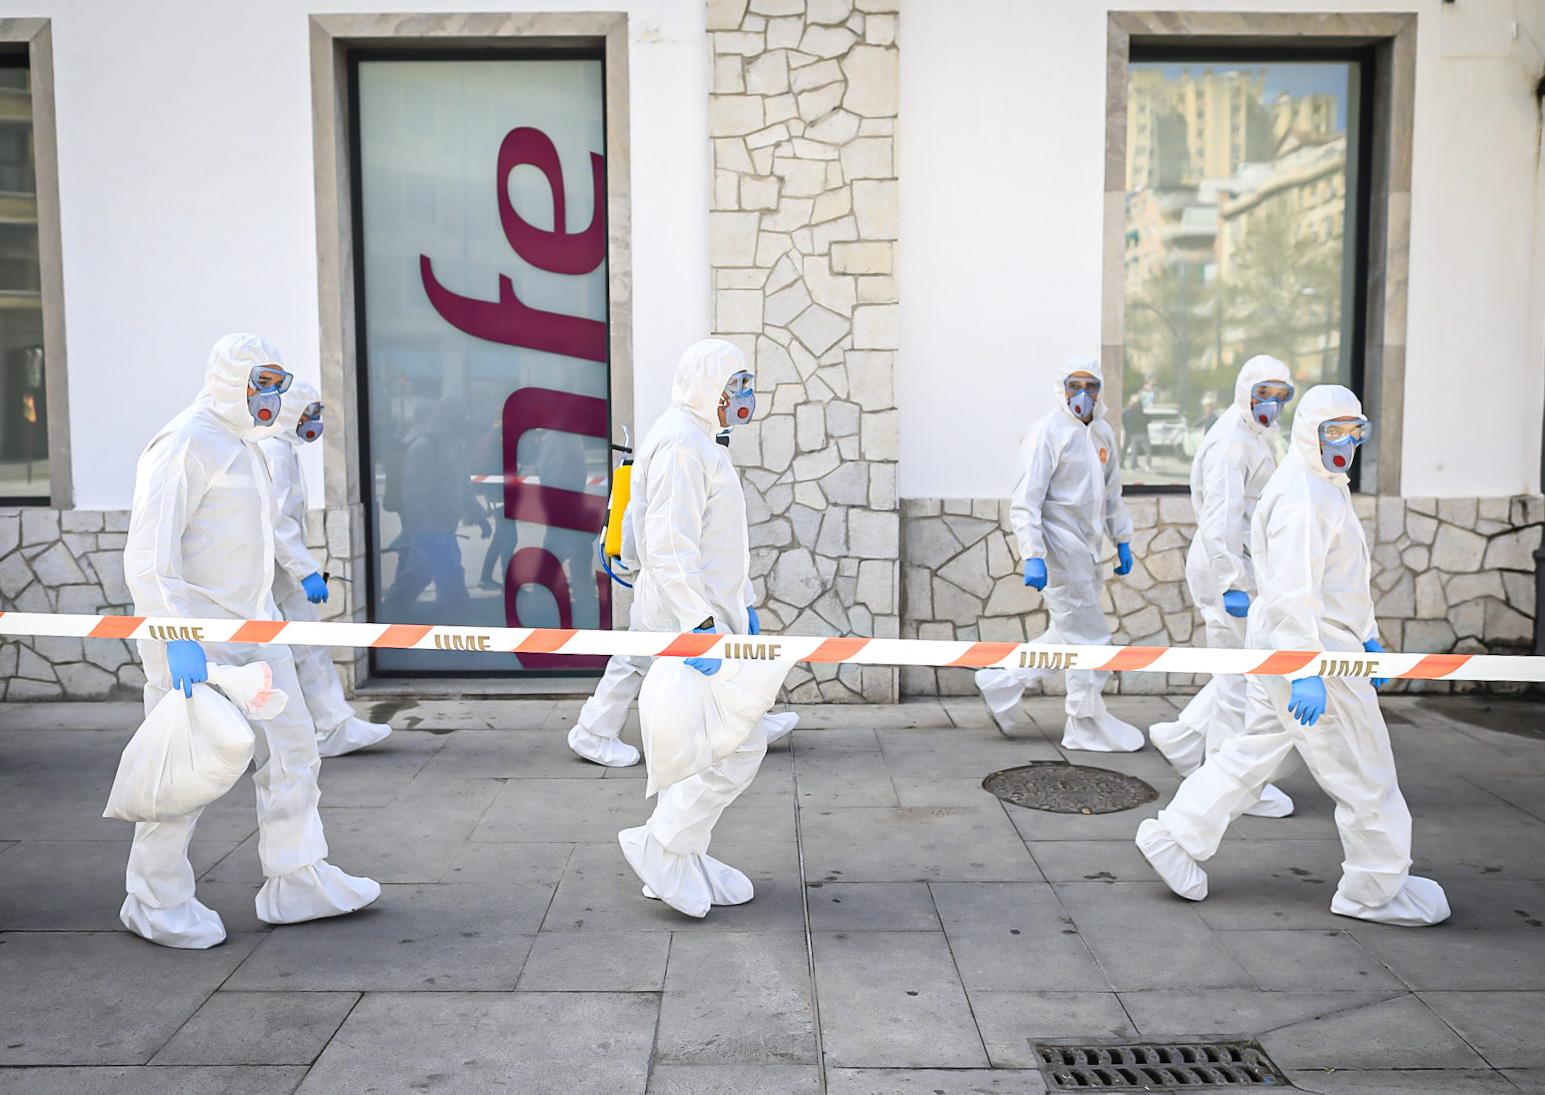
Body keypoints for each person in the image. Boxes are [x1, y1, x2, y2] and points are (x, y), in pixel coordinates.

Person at [1136, 385, 1450, 927]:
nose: (1346, 444)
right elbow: (1291, 592)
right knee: (1365, 769)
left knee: (1255, 750)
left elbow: (1339, 581)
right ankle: (1374, 889)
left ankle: (1174, 837)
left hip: (1299, 650)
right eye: (1335, 431)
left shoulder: (1321, 486)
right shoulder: (1304, 496)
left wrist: (1368, 637)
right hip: (1312, 655)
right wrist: (1309, 670)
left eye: (1356, 431)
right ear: (1309, 431)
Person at [120, 333, 379, 948]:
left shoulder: (248, 443)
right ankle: (153, 900)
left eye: (277, 385)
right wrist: (174, 636)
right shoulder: (185, 441)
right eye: (261, 383)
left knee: (294, 754)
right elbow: (150, 555)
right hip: (198, 643)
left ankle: (296, 879)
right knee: (184, 774)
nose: (271, 399)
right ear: (229, 378)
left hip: (258, 632)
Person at [617, 339, 776, 917]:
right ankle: (661, 846)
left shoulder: (701, 438)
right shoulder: (684, 442)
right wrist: (699, 623)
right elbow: (666, 541)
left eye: (748, 385)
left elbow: (716, 541)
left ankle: (682, 852)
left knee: (713, 747)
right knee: (736, 744)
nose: (746, 398)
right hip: (692, 624)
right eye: (738, 386)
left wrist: (744, 605)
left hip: (712, 617)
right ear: (710, 386)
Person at [568, 429, 797, 769]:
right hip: (673, 588)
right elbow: (645, 529)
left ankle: (748, 725)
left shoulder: (704, 459)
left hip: (696, 586)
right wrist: (640, 571)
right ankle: (593, 731)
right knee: (641, 659)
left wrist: (744, 596)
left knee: (719, 652)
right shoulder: (678, 456)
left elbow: (728, 543)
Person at [1148, 357, 1295, 817]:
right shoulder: (1234, 441)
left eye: (1281, 395)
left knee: (1236, 667)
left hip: (1237, 564)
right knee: (1240, 677)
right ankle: (1225, 780)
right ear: (1245, 390)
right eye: (1264, 393)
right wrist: (1232, 580)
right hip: (1224, 567)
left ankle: (1183, 737)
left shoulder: (1251, 433)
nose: (1272, 404)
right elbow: (1221, 518)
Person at [975, 355, 1144, 752]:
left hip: (1087, 548)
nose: (1082, 395)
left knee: (1065, 635)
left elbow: (1112, 493)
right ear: (1061, 388)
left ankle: (1000, 681)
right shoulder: (1046, 433)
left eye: (1091, 387)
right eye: (1074, 386)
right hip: (1057, 550)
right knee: (1091, 638)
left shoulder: (1102, 433)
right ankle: (1084, 721)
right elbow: (1026, 500)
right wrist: (1032, 553)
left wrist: (1121, 538)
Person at [258, 381, 392, 758]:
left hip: (274, 569)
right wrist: (305, 572)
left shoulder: (279, 447)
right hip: (276, 571)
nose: (315, 420)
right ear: (292, 412)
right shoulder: (276, 452)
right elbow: (277, 522)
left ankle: (328, 725)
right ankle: (330, 726)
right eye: (311, 411)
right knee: (303, 646)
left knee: (295, 648)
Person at [381, 396, 490, 622]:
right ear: (449, 416)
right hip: (430, 531)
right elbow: (413, 493)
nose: (465, 421)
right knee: (438, 582)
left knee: (437, 583)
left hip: (444, 530)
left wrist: (479, 516)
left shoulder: (453, 443)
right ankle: (387, 629)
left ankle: (453, 629)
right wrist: (422, 534)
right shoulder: (425, 444)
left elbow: (463, 486)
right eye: (462, 416)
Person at [1121, 394, 1151, 471]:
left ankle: (1132, 466)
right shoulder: (1129, 412)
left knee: (1133, 450)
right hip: (1134, 433)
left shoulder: (1129, 412)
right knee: (1129, 448)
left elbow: (1124, 421)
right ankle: (1124, 464)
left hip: (1132, 433)